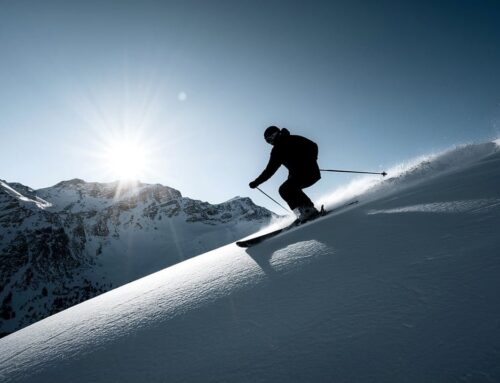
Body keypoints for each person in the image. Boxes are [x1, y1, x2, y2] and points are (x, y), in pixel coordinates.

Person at [249, 126, 321, 222]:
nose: (270, 142)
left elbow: (313, 146)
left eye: (271, 138)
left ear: (276, 133)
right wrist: (257, 182)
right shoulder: (276, 151)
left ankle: (308, 210)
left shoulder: (292, 139)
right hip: (298, 175)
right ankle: (302, 212)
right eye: (268, 141)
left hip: (310, 171)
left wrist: (311, 159)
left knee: (287, 188)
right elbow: (269, 170)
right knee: (285, 190)